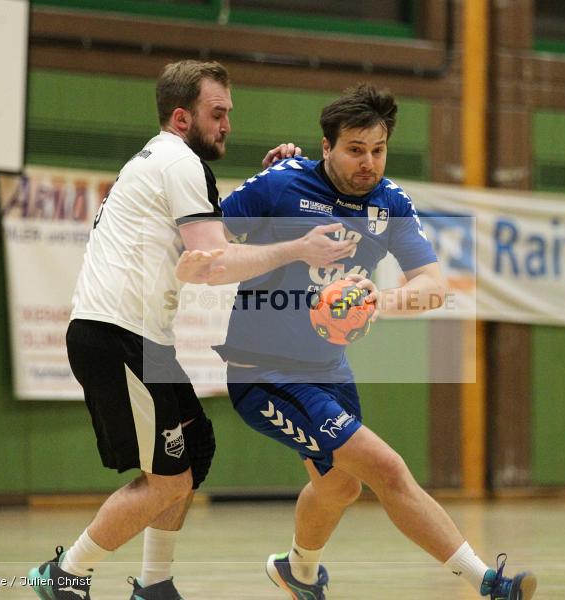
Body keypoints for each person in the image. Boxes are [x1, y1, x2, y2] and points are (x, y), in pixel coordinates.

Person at [177, 83, 536, 600]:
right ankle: (489, 583)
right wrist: (276, 237)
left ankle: (297, 571)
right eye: (355, 150)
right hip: (264, 373)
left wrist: (379, 302)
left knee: (340, 485)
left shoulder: (389, 203)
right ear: (326, 147)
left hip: (328, 369)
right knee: (386, 468)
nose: (369, 163)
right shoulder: (281, 184)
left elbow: (433, 287)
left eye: (378, 150)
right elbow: (209, 238)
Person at [29, 60, 356, 600]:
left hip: (140, 339)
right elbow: (218, 262)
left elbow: (212, 230)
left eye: (229, 113)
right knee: (170, 479)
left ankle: (155, 585)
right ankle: (66, 572)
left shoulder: (164, 162)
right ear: (182, 118)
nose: (227, 124)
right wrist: (301, 247)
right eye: (218, 113)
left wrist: (271, 176)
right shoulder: (179, 163)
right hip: (117, 337)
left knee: (193, 450)